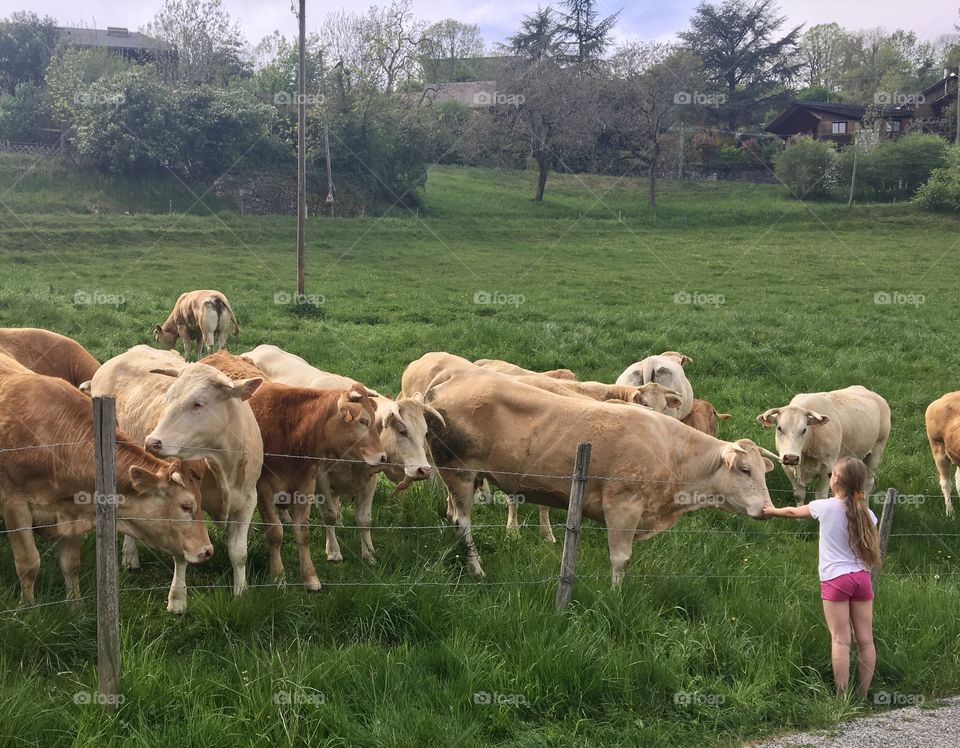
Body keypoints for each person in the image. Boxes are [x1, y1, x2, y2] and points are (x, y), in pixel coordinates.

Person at [763, 457, 881, 698]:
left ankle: (841, 696)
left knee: (840, 639)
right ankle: (863, 696)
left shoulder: (824, 506)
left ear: (836, 480)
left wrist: (771, 511)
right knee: (866, 640)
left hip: (835, 580)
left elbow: (793, 512)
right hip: (861, 578)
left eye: (831, 475)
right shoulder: (868, 513)